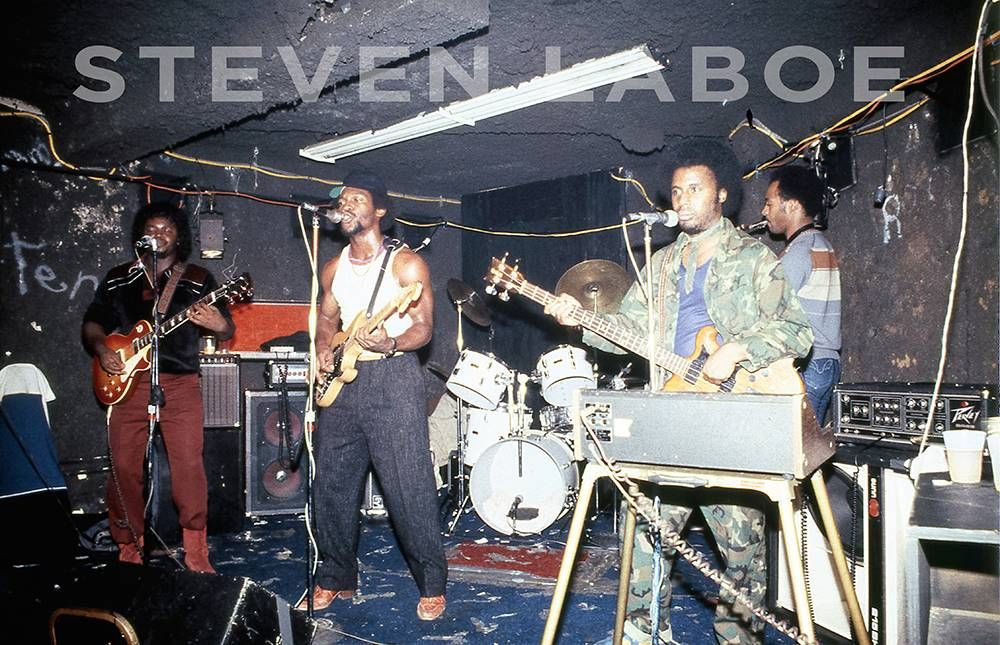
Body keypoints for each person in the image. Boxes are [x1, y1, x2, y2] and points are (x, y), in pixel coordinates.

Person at [545, 141, 813, 645]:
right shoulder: (662, 264)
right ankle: (646, 630)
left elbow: (797, 332)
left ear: (722, 196)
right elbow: (626, 329)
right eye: (676, 191)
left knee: (741, 549)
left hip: (734, 415)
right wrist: (579, 319)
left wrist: (737, 350)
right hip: (672, 410)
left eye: (695, 189)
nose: (683, 199)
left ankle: (737, 638)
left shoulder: (753, 258)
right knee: (644, 530)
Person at [301, 170, 448, 621]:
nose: (345, 205)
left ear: (379, 210)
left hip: (393, 377)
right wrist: (324, 347)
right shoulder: (332, 267)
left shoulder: (407, 266)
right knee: (332, 485)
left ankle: (432, 585)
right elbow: (327, 318)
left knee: (409, 486)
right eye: (341, 200)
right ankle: (334, 578)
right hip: (343, 387)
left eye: (357, 199)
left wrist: (392, 342)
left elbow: (423, 329)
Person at [82, 201, 235, 572]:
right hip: (126, 385)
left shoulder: (198, 278)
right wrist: (103, 349)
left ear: (179, 236)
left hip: (180, 383)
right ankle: (129, 548)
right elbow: (92, 323)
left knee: (188, 466)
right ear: (141, 236)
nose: (160, 234)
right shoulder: (119, 277)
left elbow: (227, 328)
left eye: (168, 229)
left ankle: (196, 549)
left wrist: (218, 324)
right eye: (153, 229)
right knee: (124, 467)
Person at [761, 165, 842, 425]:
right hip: (825, 362)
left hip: (809, 363)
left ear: (793, 206)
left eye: (769, 203)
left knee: (791, 447)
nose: (764, 211)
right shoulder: (819, 243)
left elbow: (766, 311)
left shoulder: (798, 252)